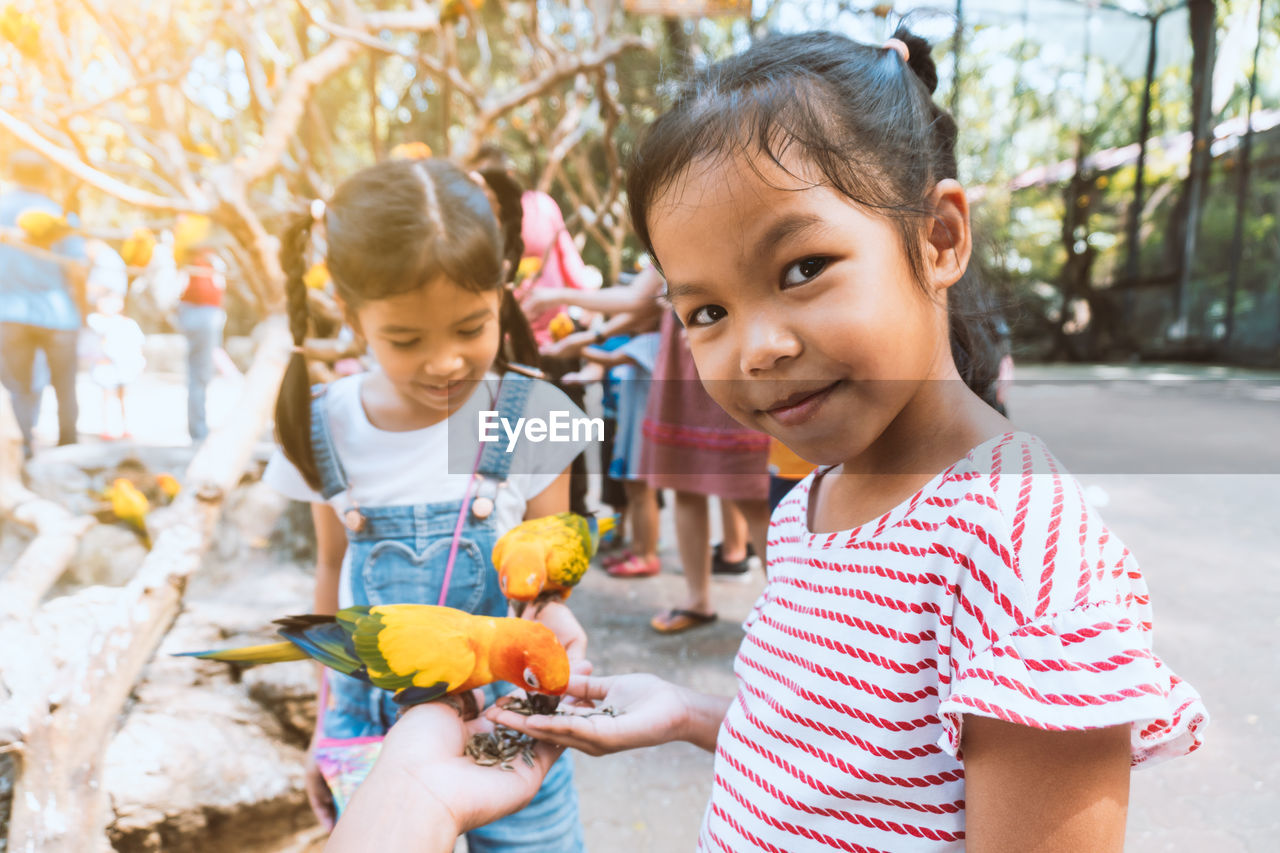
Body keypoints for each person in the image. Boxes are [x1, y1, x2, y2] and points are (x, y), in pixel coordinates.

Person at [335, 29, 1208, 852]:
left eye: (802, 269)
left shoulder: (1018, 546)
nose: (757, 347)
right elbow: (847, 765)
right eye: (707, 310)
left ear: (939, 237)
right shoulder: (812, 504)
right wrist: (682, 709)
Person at [261, 157, 588, 851]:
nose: (444, 362)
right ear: (351, 317)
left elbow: (548, 578)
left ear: (502, 295)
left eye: (470, 328)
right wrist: (326, 720)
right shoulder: (324, 426)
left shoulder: (533, 413)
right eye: (407, 340)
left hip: (509, 719)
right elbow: (330, 575)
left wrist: (554, 615)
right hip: (368, 721)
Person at [0, 149, 87, 457]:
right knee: (65, 388)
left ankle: (22, 452)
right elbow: (78, 266)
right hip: (59, 314)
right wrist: (84, 309)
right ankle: (70, 453)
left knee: (17, 389)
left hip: (9, 314)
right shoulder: (59, 214)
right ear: (47, 177)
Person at [175, 244, 227, 441]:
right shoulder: (212, 266)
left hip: (192, 318)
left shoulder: (191, 268)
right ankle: (199, 430)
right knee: (200, 376)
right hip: (205, 320)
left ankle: (198, 427)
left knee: (197, 376)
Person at [84, 292, 145, 439]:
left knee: (124, 396)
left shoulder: (127, 323)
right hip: (105, 366)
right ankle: (106, 428)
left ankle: (126, 426)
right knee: (106, 397)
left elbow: (137, 344)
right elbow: (89, 344)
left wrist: (139, 361)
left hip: (124, 366)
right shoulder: (95, 322)